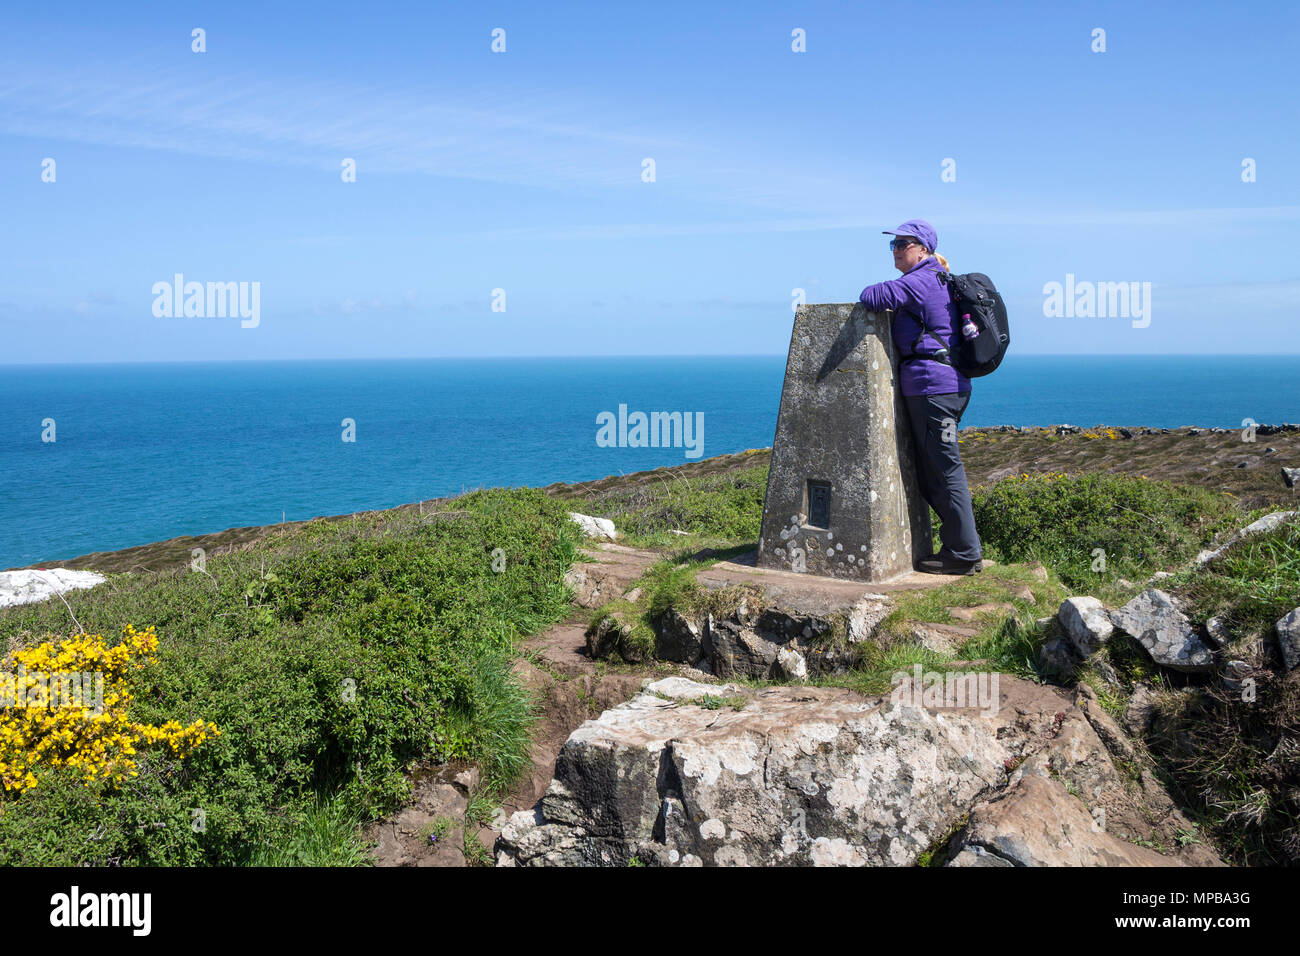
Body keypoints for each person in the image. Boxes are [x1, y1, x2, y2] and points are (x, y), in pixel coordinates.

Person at [858, 219, 983, 575]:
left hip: (933, 388)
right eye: (893, 244)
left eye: (903, 243)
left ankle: (963, 553)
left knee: (944, 470)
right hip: (939, 386)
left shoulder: (923, 279)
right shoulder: (935, 277)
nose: (896, 248)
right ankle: (959, 548)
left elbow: (872, 296)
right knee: (934, 470)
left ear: (923, 249)